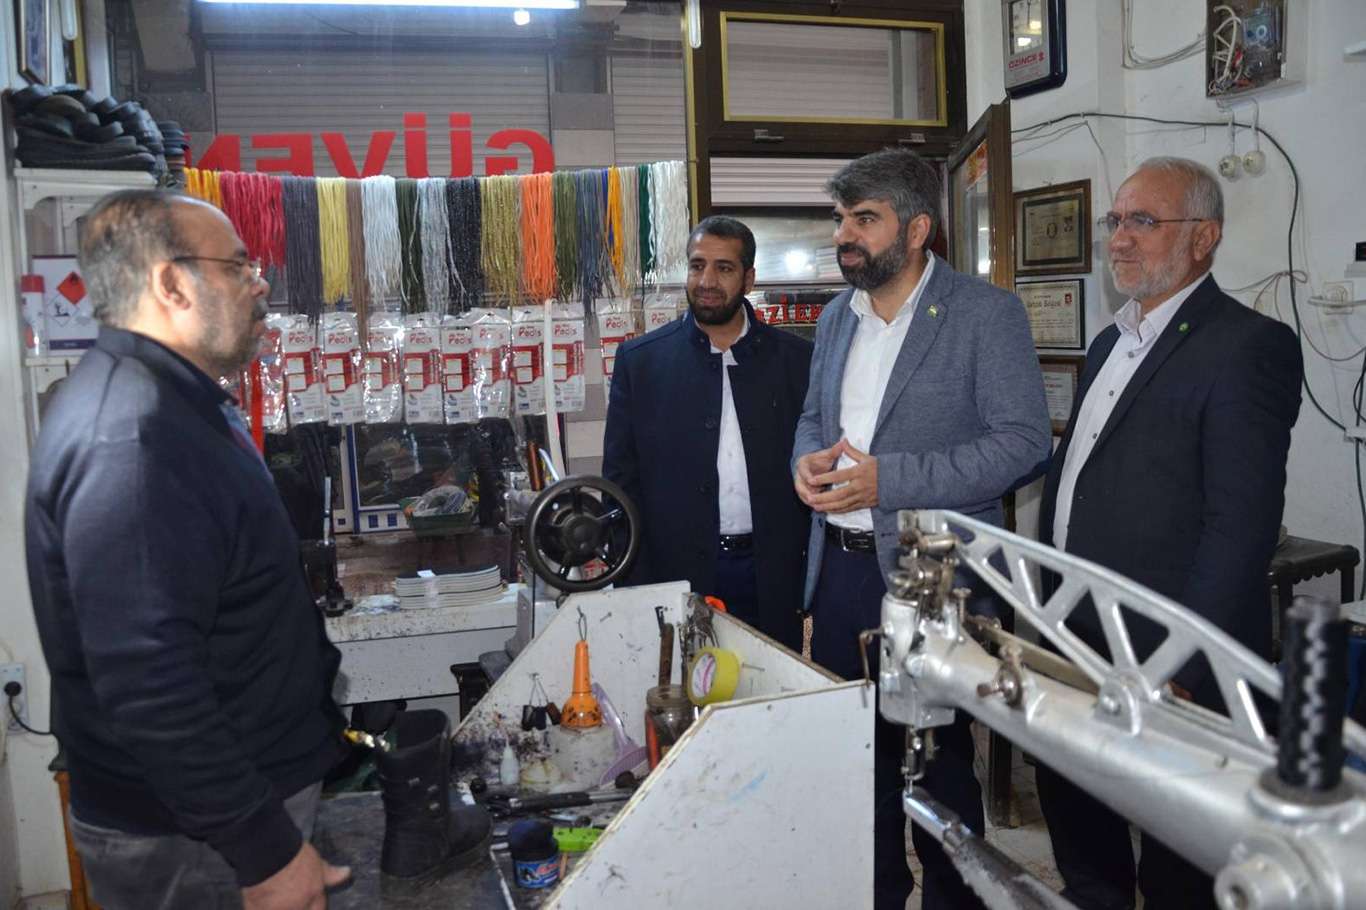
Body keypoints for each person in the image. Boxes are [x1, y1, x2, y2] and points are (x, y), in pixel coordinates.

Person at [25, 190, 351, 909]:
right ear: (171, 284)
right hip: (197, 844)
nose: (258, 284)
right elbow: (149, 680)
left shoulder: (174, 404)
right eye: (237, 266)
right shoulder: (135, 438)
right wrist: (265, 851)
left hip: (218, 821)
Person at [1036, 156, 1303, 910]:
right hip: (1076, 631)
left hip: (1169, 649)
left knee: (1180, 857)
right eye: (1116, 221)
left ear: (1203, 237)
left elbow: (1240, 523)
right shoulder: (1108, 343)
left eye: (1143, 221)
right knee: (1082, 824)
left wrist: (1183, 657)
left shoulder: (1247, 345)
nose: (1119, 238)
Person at [792, 148, 1051, 909]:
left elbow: (1023, 444)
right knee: (859, 759)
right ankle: (877, 893)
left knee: (936, 765)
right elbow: (813, 418)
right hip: (840, 574)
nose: (845, 235)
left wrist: (892, 481)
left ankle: (953, 898)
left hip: (931, 579)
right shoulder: (836, 316)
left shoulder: (985, 314)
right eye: (841, 218)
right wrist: (804, 462)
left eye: (864, 219)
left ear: (916, 230)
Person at [604, 215, 813, 651]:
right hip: (676, 576)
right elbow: (620, 486)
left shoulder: (797, 362)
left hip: (772, 577)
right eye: (697, 265)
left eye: (724, 268)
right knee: (683, 690)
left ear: (749, 279)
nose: (707, 281)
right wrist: (634, 585)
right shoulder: (641, 363)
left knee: (770, 686)